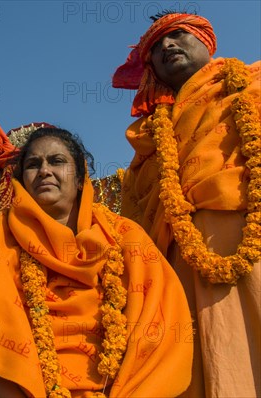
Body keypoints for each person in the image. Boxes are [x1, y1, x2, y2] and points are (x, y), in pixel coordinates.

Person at [0, 127, 193, 397]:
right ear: (21, 181)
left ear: (79, 179)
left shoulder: (125, 236)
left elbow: (162, 318)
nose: (44, 171)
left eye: (57, 161)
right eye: (33, 164)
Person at [112, 12, 260, 396]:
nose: (167, 47)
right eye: (157, 47)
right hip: (176, 267)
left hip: (251, 245)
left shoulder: (251, 84)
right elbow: (134, 218)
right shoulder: (147, 139)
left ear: (205, 41)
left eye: (177, 36)